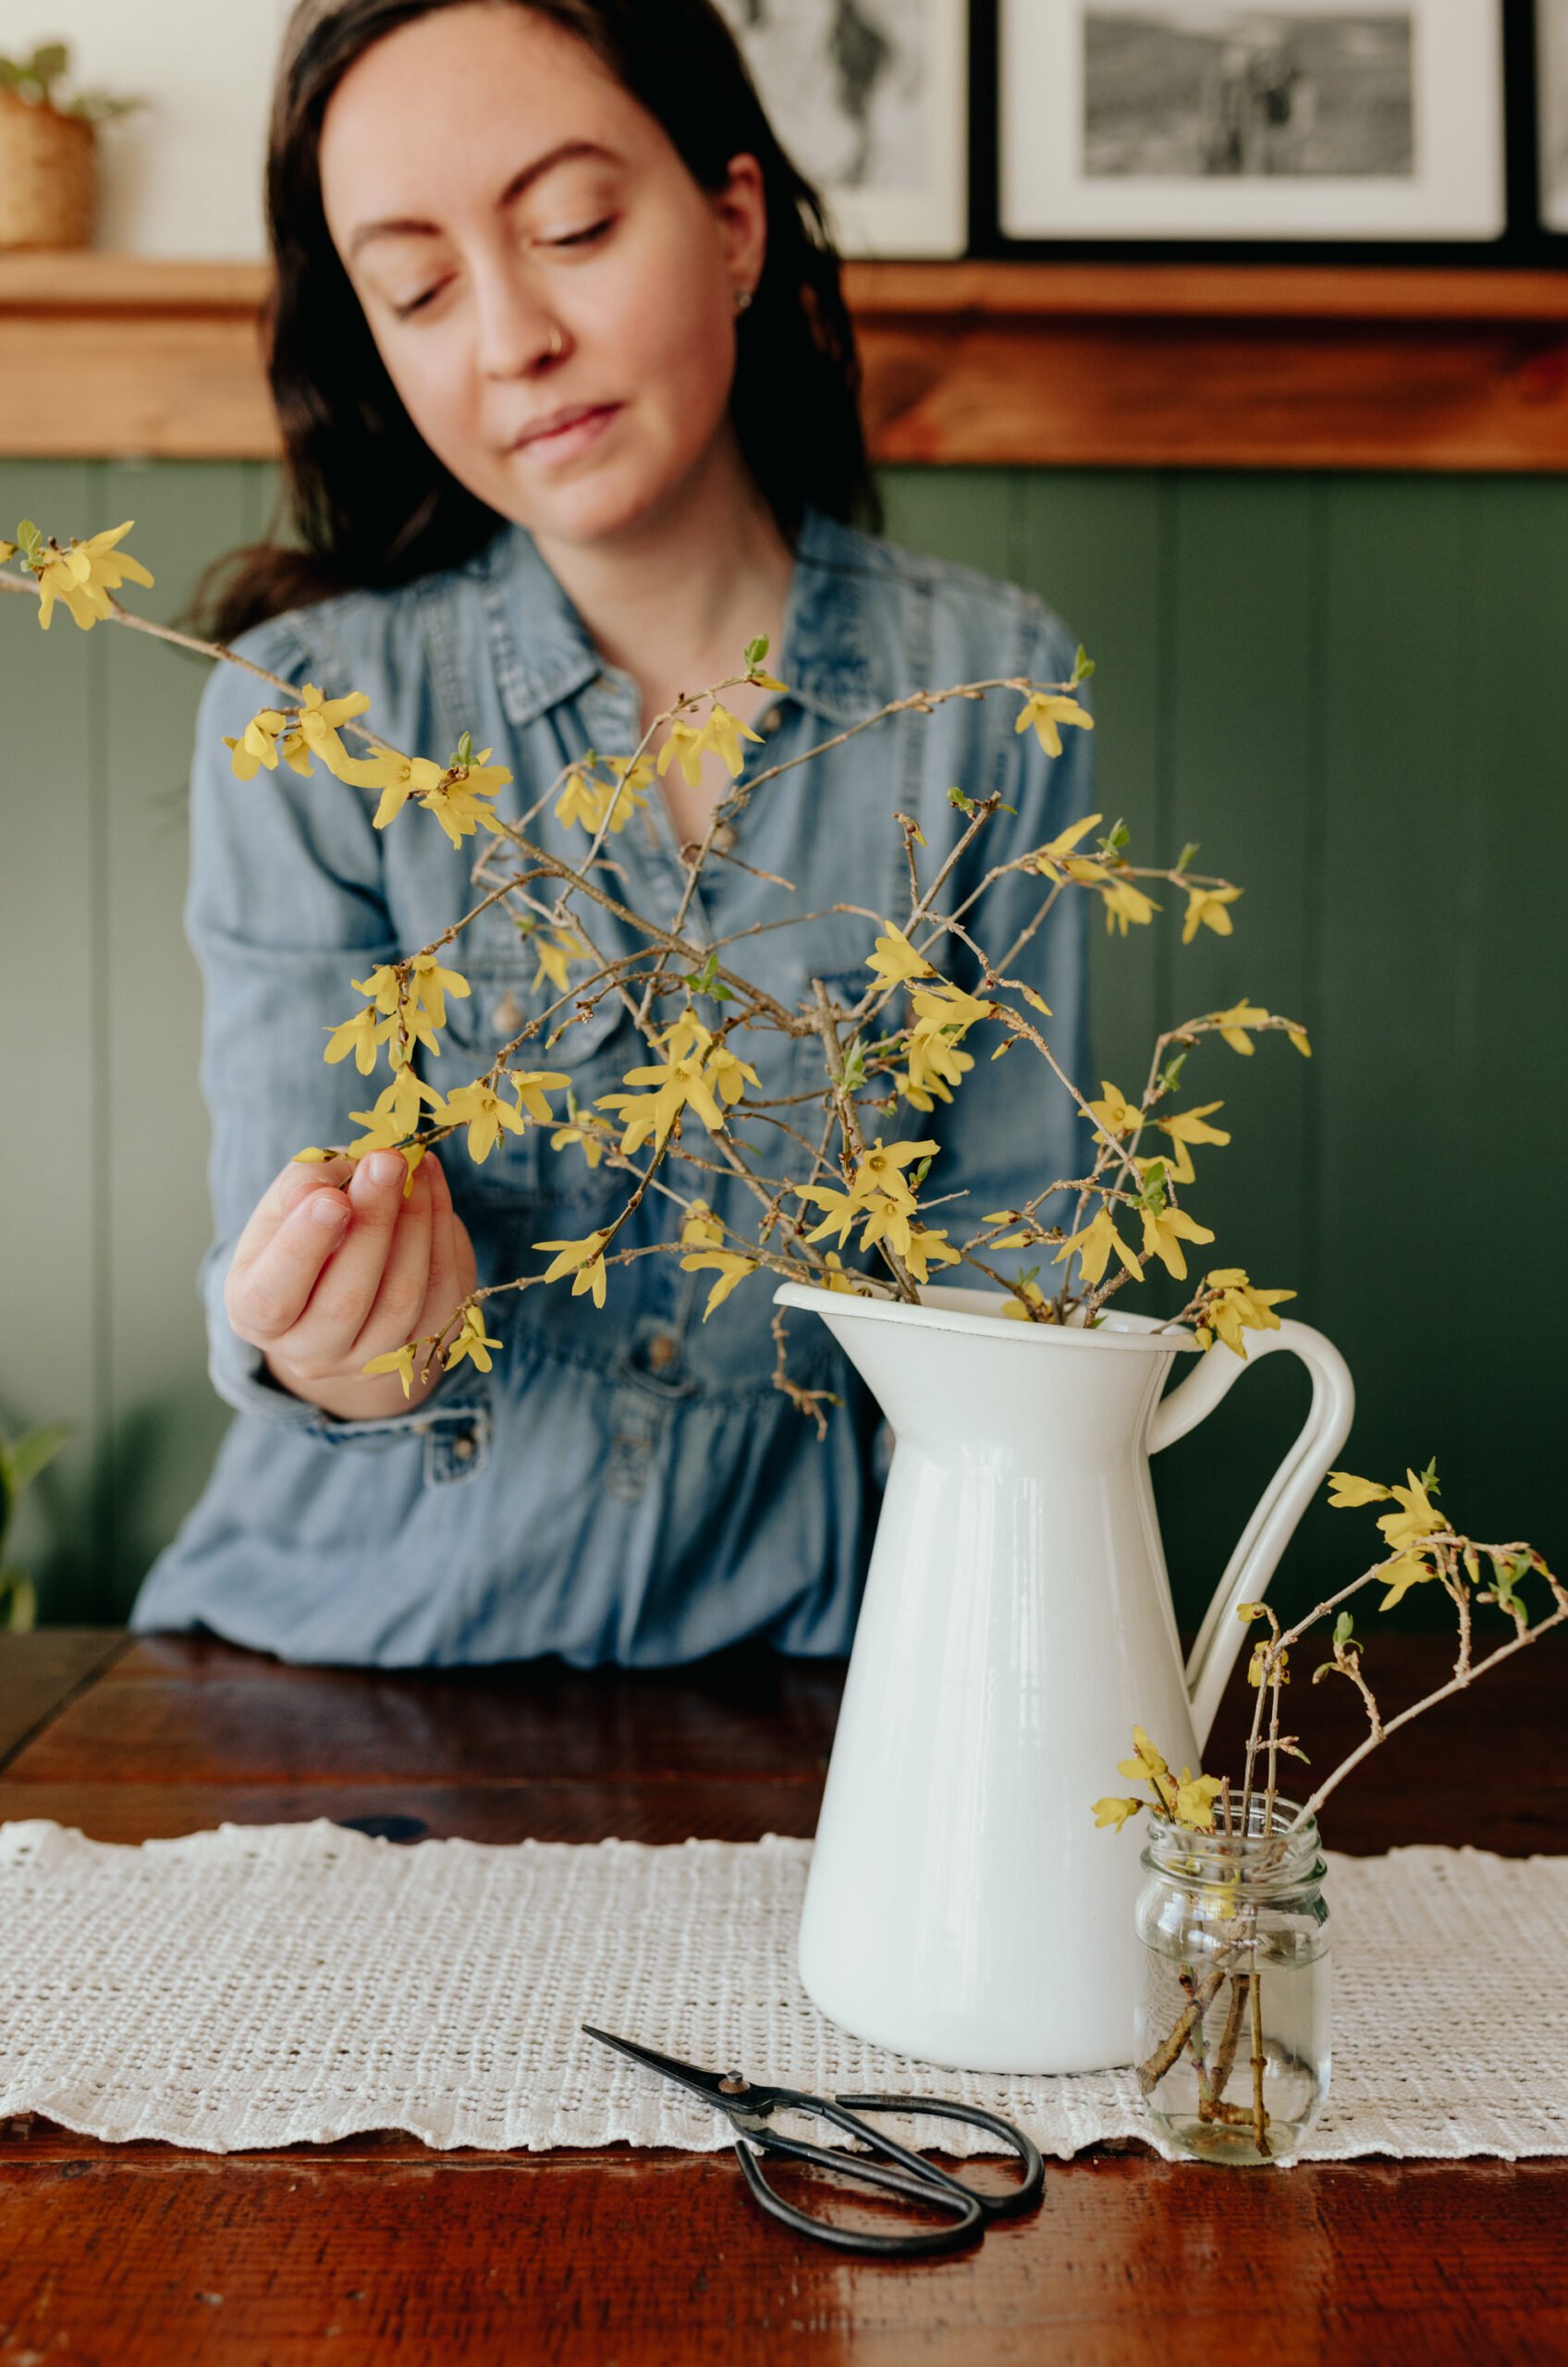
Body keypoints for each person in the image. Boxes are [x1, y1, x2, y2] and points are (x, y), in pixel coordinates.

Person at [132, 0, 1093, 1666]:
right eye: (418, 289)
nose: (511, 336)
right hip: (347, 1663)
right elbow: (303, 1309)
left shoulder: (990, 688)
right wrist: (342, 1334)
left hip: (823, 1682)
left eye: (571, 228)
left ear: (731, 226)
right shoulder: (305, 717)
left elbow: (1016, 1272)